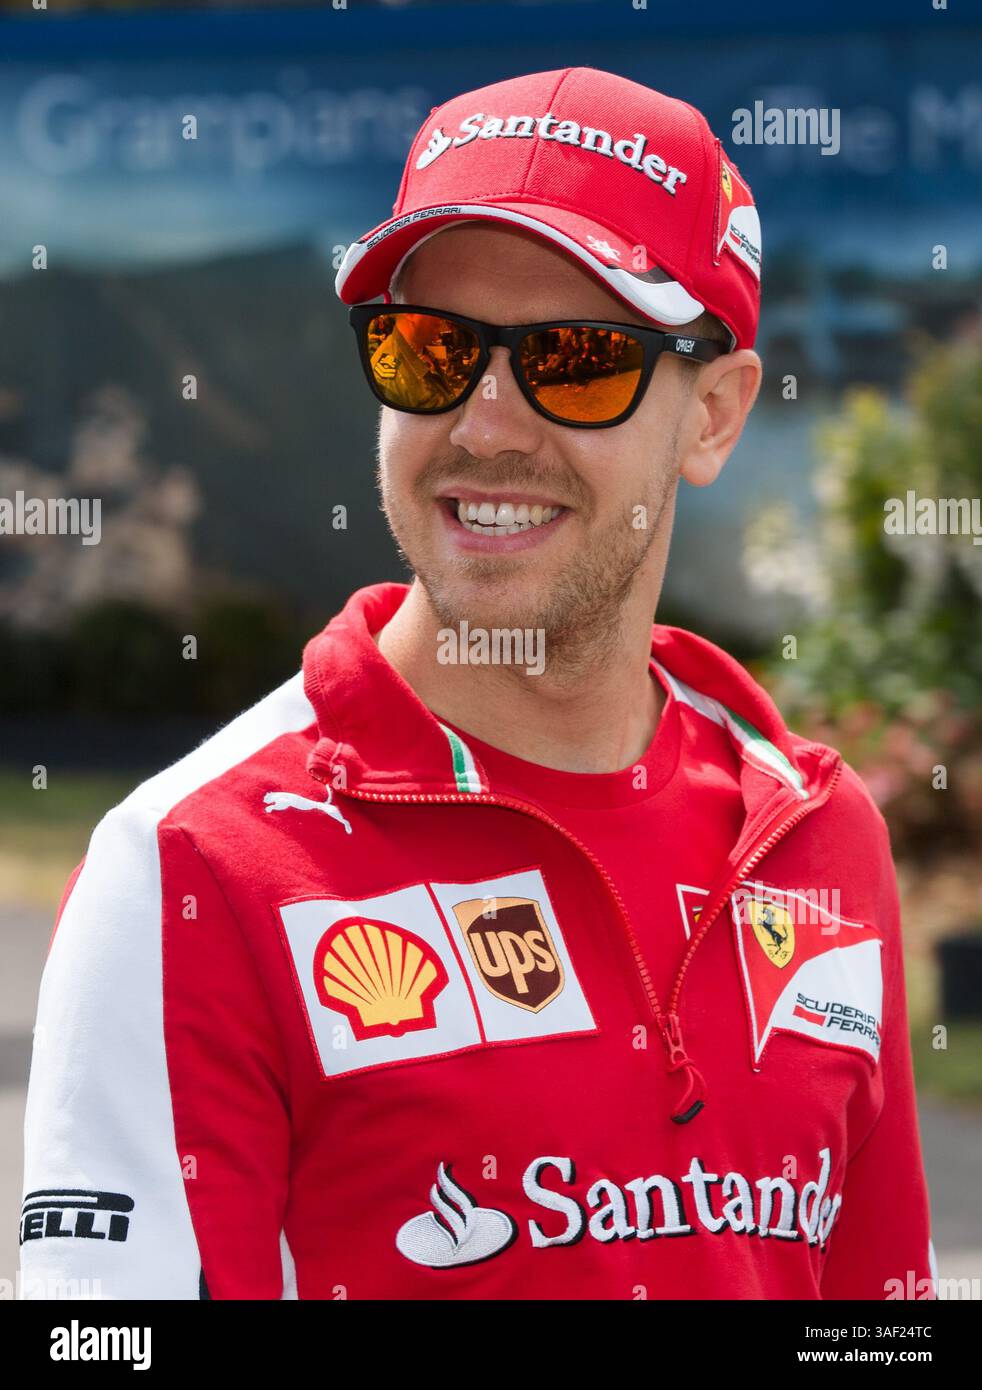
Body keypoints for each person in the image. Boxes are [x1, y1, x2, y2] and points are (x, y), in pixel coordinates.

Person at [21, 66, 936, 1301]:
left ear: (713, 416)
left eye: (576, 356)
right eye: (431, 348)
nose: (488, 423)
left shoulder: (819, 839)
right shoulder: (189, 872)